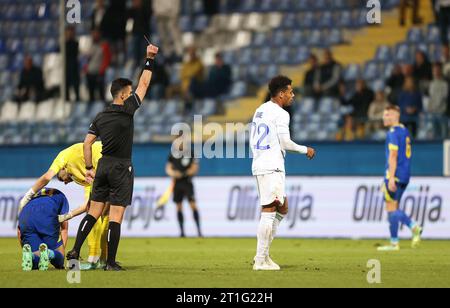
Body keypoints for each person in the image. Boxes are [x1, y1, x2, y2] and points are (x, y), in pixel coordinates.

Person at [66, 44, 159, 271]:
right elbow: (145, 84)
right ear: (124, 94)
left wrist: (89, 167)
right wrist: (149, 59)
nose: (132, 93)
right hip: (120, 166)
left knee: (94, 211)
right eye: (129, 91)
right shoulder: (127, 109)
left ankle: (76, 250)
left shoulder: (100, 116)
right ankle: (110, 263)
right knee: (116, 215)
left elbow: (87, 143)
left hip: (102, 165)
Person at [250, 76, 316, 271]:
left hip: (261, 163)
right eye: (290, 92)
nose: (292, 95)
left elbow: (253, 139)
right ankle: (260, 259)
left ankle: (263, 255)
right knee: (269, 211)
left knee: (283, 208)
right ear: (281, 94)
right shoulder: (281, 113)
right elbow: (285, 143)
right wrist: (306, 150)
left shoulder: (260, 110)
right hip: (272, 166)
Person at [18, 142, 107, 270]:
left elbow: (47, 176)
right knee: (104, 215)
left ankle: (96, 258)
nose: (64, 182)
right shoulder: (80, 176)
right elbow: (86, 208)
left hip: (104, 161)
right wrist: (67, 217)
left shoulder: (63, 156)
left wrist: (27, 196)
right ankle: (103, 259)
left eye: (61, 178)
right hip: (112, 156)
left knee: (97, 214)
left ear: (63, 168)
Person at [377, 105, 423, 251]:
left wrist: (390, 177)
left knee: (391, 208)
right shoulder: (405, 131)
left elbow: (393, 155)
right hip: (405, 174)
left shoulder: (393, 133)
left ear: (396, 115)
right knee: (394, 206)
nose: (384, 117)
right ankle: (394, 242)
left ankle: (413, 227)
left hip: (395, 175)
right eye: (384, 115)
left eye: (387, 115)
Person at [18, 188, 69, 271]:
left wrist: (23, 246)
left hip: (26, 218)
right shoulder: (60, 196)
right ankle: (49, 253)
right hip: (47, 214)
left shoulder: (31, 197)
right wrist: (60, 252)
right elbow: (64, 228)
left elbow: (19, 231)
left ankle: (31, 256)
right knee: (59, 261)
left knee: (36, 262)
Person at [165, 135, 202, 238]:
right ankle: (182, 232)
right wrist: (173, 173)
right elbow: (168, 169)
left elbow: (195, 168)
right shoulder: (172, 154)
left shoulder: (191, 153)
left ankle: (199, 231)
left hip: (187, 183)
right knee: (179, 207)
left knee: (193, 205)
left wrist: (185, 173)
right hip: (177, 183)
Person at [85, 29, 112, 104]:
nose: (94, 36)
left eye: (96, 34)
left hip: (99, 73)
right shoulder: (91, 45)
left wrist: (102, 70)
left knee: (101, 95)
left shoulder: (104, 45)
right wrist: (86, 69)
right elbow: (87, 59)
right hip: (90, 73)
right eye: (93, 34)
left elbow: (107, 59)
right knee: (91, 95)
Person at [65, 26, 80, 102]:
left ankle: (77, 102)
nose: (69, 34)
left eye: (71, 32)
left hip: (74, 68)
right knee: (66, 88)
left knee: (76, 87)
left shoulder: (76, 43)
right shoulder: (63, 45)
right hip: (66, 69)